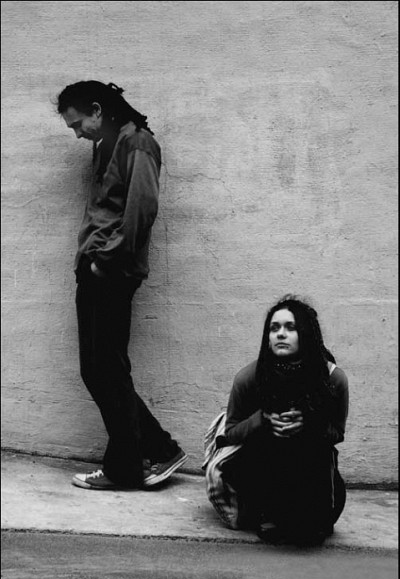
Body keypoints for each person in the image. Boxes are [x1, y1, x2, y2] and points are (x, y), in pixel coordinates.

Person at [56, 80, 187, 490]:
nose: (78, 134)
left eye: (78, 123)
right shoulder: (107, 145)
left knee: (104, 369)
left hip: (111, 272)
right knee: (100, 369)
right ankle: (160, 449)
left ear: (97, 110)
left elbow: (141, 210)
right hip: (96, 267)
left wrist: (105, 263)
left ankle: (126, 466)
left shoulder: (138, 143)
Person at [209, 295, 349, 546]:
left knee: (312, 528)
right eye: (274, 328)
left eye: (290, 327)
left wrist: (310, 423)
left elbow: (337, 433)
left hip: (313, 470)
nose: (280, 334)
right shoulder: (249, 377)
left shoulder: (332, 379)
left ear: (306, 333)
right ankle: (269, 513)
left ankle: (308, 517)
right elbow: (230, 432)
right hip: (261, 466)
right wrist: (262, 420)